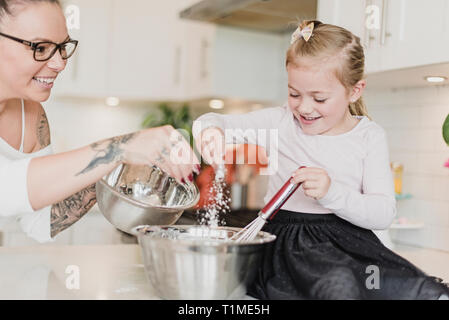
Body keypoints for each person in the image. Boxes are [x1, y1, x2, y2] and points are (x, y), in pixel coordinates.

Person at [192, 20, 449, 299]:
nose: (304, 107)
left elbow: (383, 213)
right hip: (285, 246)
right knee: (337, 285)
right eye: (294, 94)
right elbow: (212, 121)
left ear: (354, 91)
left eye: (319, 98)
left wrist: (332, 193)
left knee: (417, 289)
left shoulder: (368, 136)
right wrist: (210, 134)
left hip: (348, 245)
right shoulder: (280, 122)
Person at [0, 0, 200, 243]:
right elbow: (6, 189)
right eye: (41, 48)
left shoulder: (31, 117)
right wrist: (118, 148)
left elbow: (40, 221)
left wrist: (113, 170)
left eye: (63, 47)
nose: (60, 63)